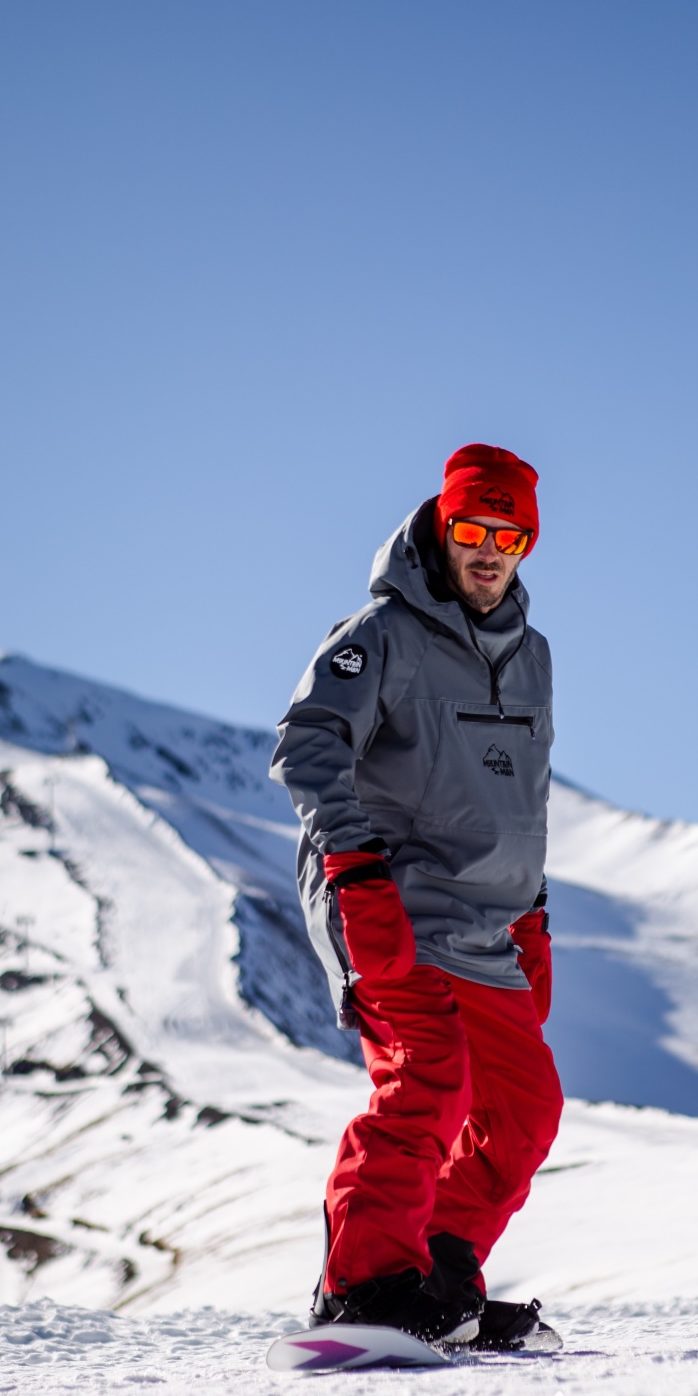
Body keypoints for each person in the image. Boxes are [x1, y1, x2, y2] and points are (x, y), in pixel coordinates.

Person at [270, 443, 563, 1349]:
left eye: (509, 537)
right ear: (442, 529)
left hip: (486, 921)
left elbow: (521, 791)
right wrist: (355, 871)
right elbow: (307, 742)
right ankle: (360, 1286)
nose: (489, 551)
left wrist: (530, 909)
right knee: (427, 1077)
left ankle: (434, 1275)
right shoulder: (382, 634)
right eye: (473, 530)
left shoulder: (532, 655)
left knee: (523, 1110)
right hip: (386, 897)